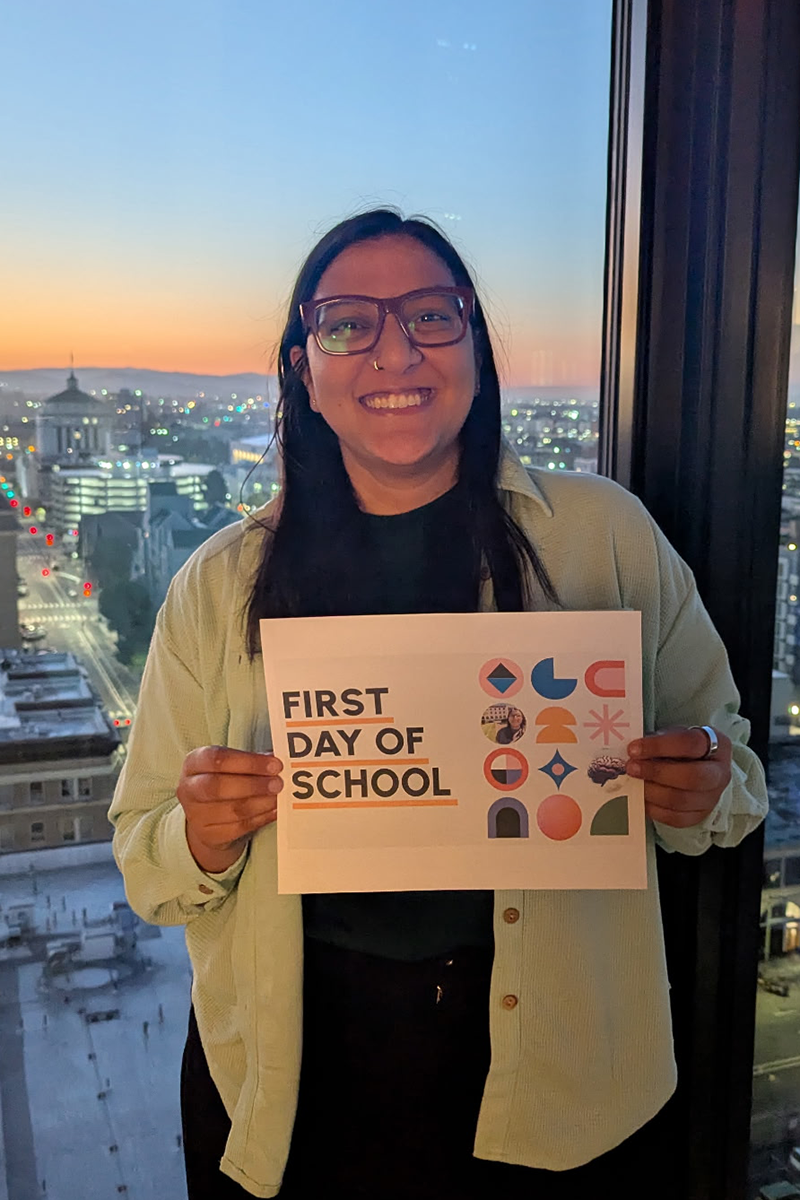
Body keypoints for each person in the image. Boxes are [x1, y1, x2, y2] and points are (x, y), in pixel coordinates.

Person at [109, 208, 768, 1200]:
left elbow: (735, 783)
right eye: (345, 324)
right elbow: (143, 862)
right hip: (296, 1086)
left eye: (429, 315)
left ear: (474, 344)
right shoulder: (215, 585)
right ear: (303, 367)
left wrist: (698, 785)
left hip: (560, 1082)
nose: (393, 351)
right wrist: (199, 835)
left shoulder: (603, 538)